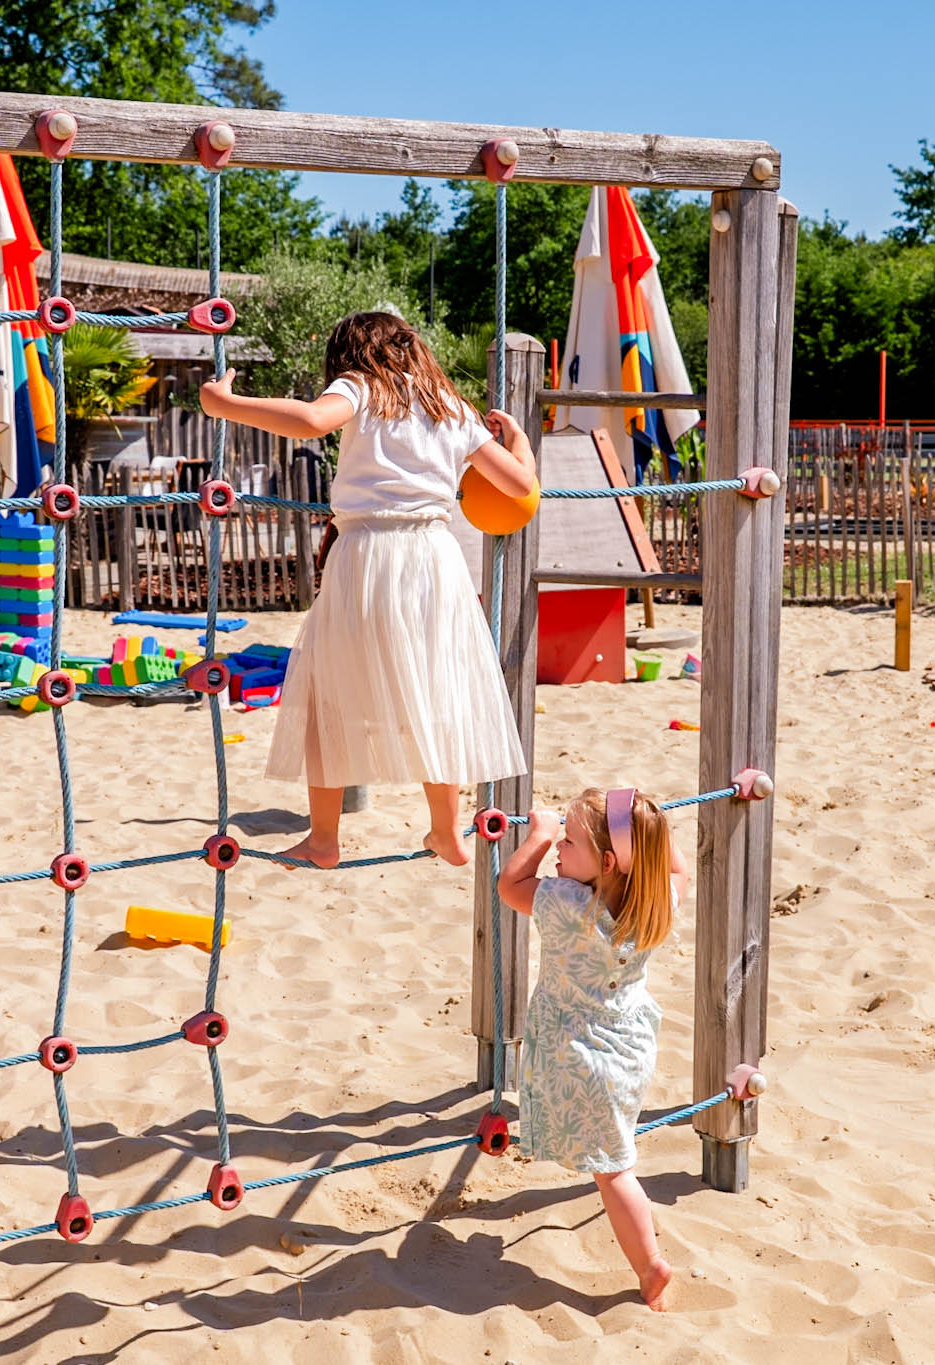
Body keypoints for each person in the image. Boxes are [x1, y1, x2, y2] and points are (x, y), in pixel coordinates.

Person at [198, 311, 535, 867]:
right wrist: (518, 440)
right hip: (436, 558)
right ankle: (446, 830)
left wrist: (225, 405)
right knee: (438, 694)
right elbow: (521, 484)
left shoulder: (360, 386)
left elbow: (310, 420)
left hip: (369, 552)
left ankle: (323, 839)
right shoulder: (450, 406)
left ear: (353, 354)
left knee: (325, 693)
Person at [495, 787, 688, 1310]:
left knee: (616, 1172)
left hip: (577, 1055)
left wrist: (535, 835)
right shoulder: (655, 904)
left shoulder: (565, 903)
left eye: (570, 841)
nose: (560, 845)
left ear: (605, 862)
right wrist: (643, 821)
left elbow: (509, 886)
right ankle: (647, 1263)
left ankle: (649, 1267)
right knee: (616, 1151)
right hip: (630, 1049)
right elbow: (676, 870)